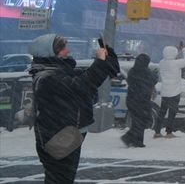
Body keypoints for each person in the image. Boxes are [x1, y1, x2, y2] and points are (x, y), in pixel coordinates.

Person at [30, 34, 119, 183]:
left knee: (63, 179)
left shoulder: (61, 71)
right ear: (50, 52)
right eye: (63, 48)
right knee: (59, 179)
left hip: (69, 135)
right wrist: (99, 61)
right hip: (57, 138)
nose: (68, 51)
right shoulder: (46, 77)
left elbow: (106, 72)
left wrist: (107, 54)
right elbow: (82, 86)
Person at [154, 42, 185, 138]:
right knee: (172, 113)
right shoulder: (176, 63)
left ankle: (157, 131)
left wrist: (175, 50)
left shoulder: (162, 63)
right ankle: (169, 132)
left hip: (165, 92)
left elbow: (169, 55)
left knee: (162, 112)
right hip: (175, 92)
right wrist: (184, 49)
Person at [122, 54, 153, 148]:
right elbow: (152, 81)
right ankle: (133, 139)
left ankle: (134, 140)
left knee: (137, 121)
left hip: (132, 100)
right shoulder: (146, 72)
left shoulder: (132, 71)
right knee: (142, 121)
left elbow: (131, 82)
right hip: (142, 101)